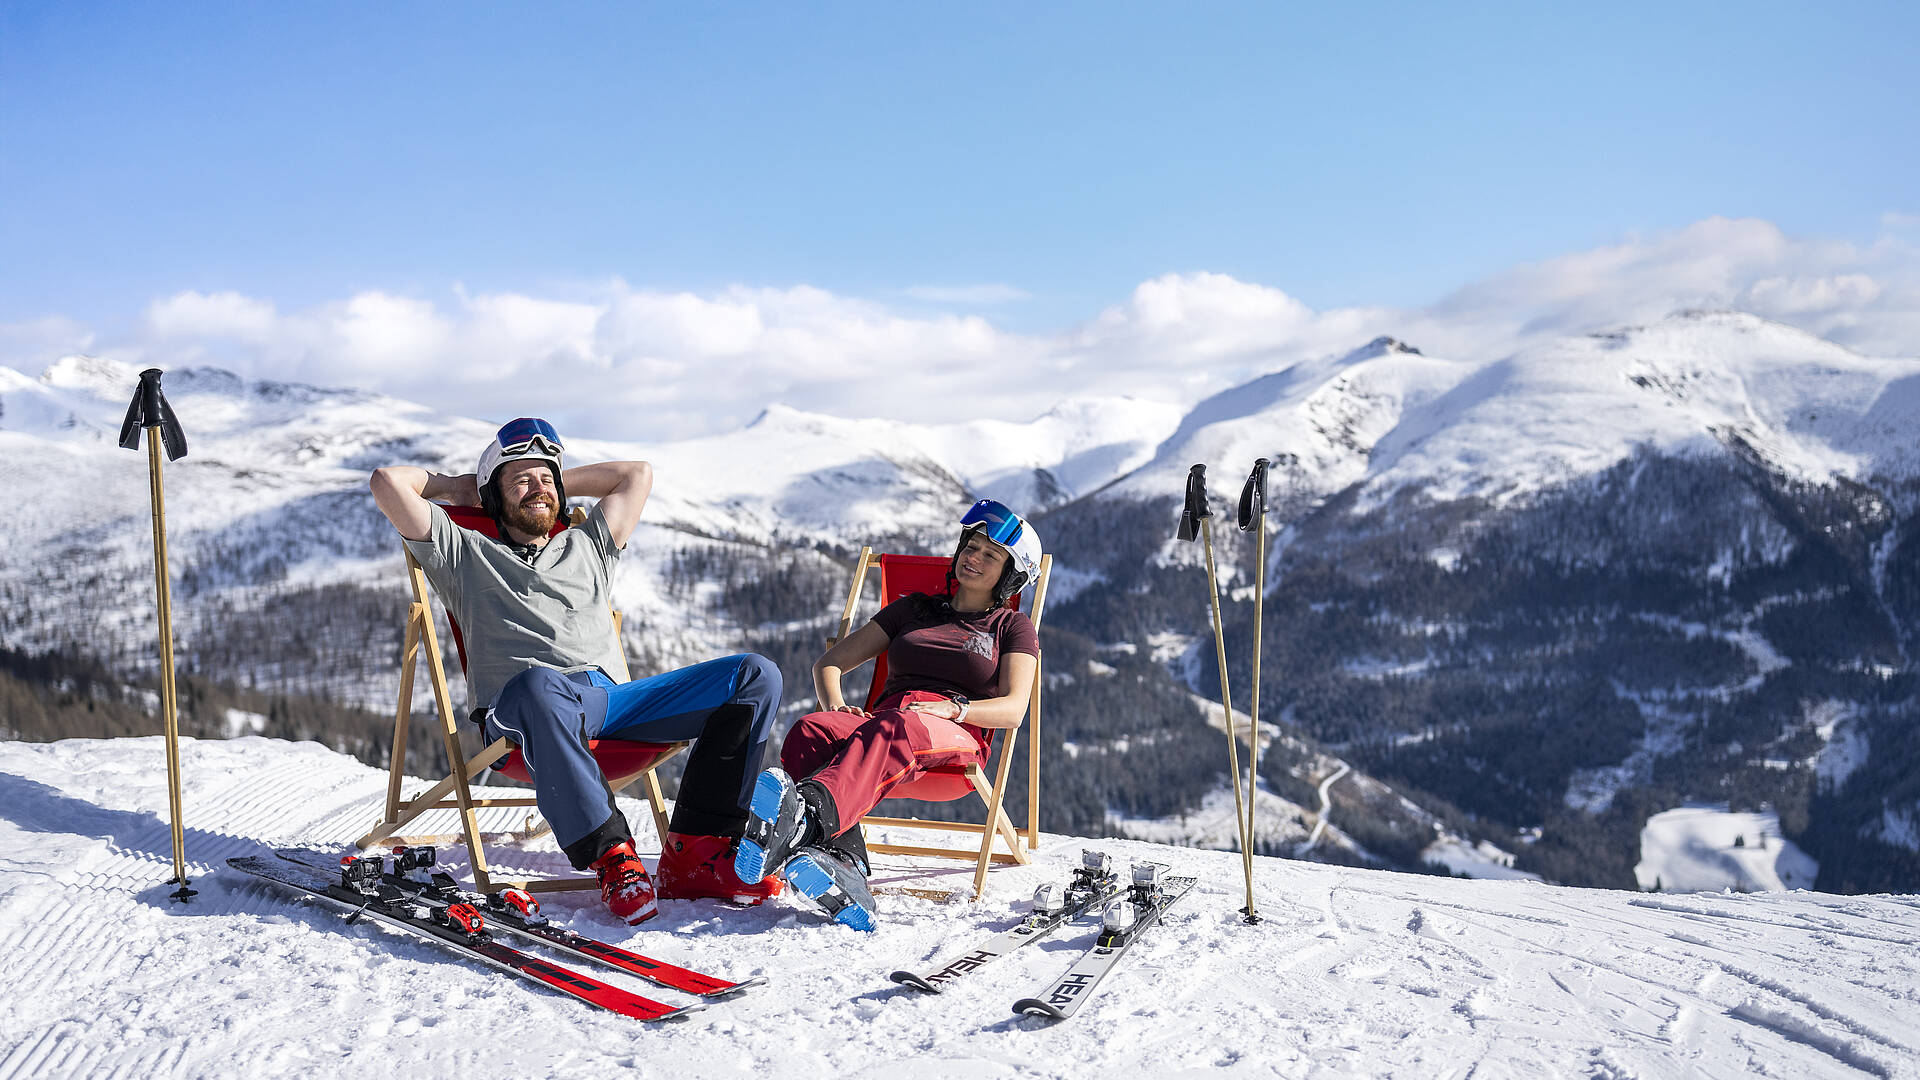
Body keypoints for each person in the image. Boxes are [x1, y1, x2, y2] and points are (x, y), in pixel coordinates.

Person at [370, 417, 784, 924]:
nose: (538, 488)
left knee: (754, 674)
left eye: (547, 478)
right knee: (540, 684)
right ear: (493, 497)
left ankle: (698, 855)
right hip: (524, 712)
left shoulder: (589, 546)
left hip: (610, 705)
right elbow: (388, 482)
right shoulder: (464, 554)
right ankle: (612, 856)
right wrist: (465, 489)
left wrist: (549, 480)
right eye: (520, 480)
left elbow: (636, 474)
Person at [735, 499, 1044, 930]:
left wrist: (954, 709)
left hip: (954, 737)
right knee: (811, 730)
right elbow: (828, 664)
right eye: (971, 546)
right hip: (887, 730)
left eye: (990, 555)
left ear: (1011, 574)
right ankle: (847, 862)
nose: (973, 557)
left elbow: (1013, 709)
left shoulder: (1011, 627)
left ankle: (805, 820)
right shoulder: (912, 609)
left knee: (892, 725)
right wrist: (836, 708)